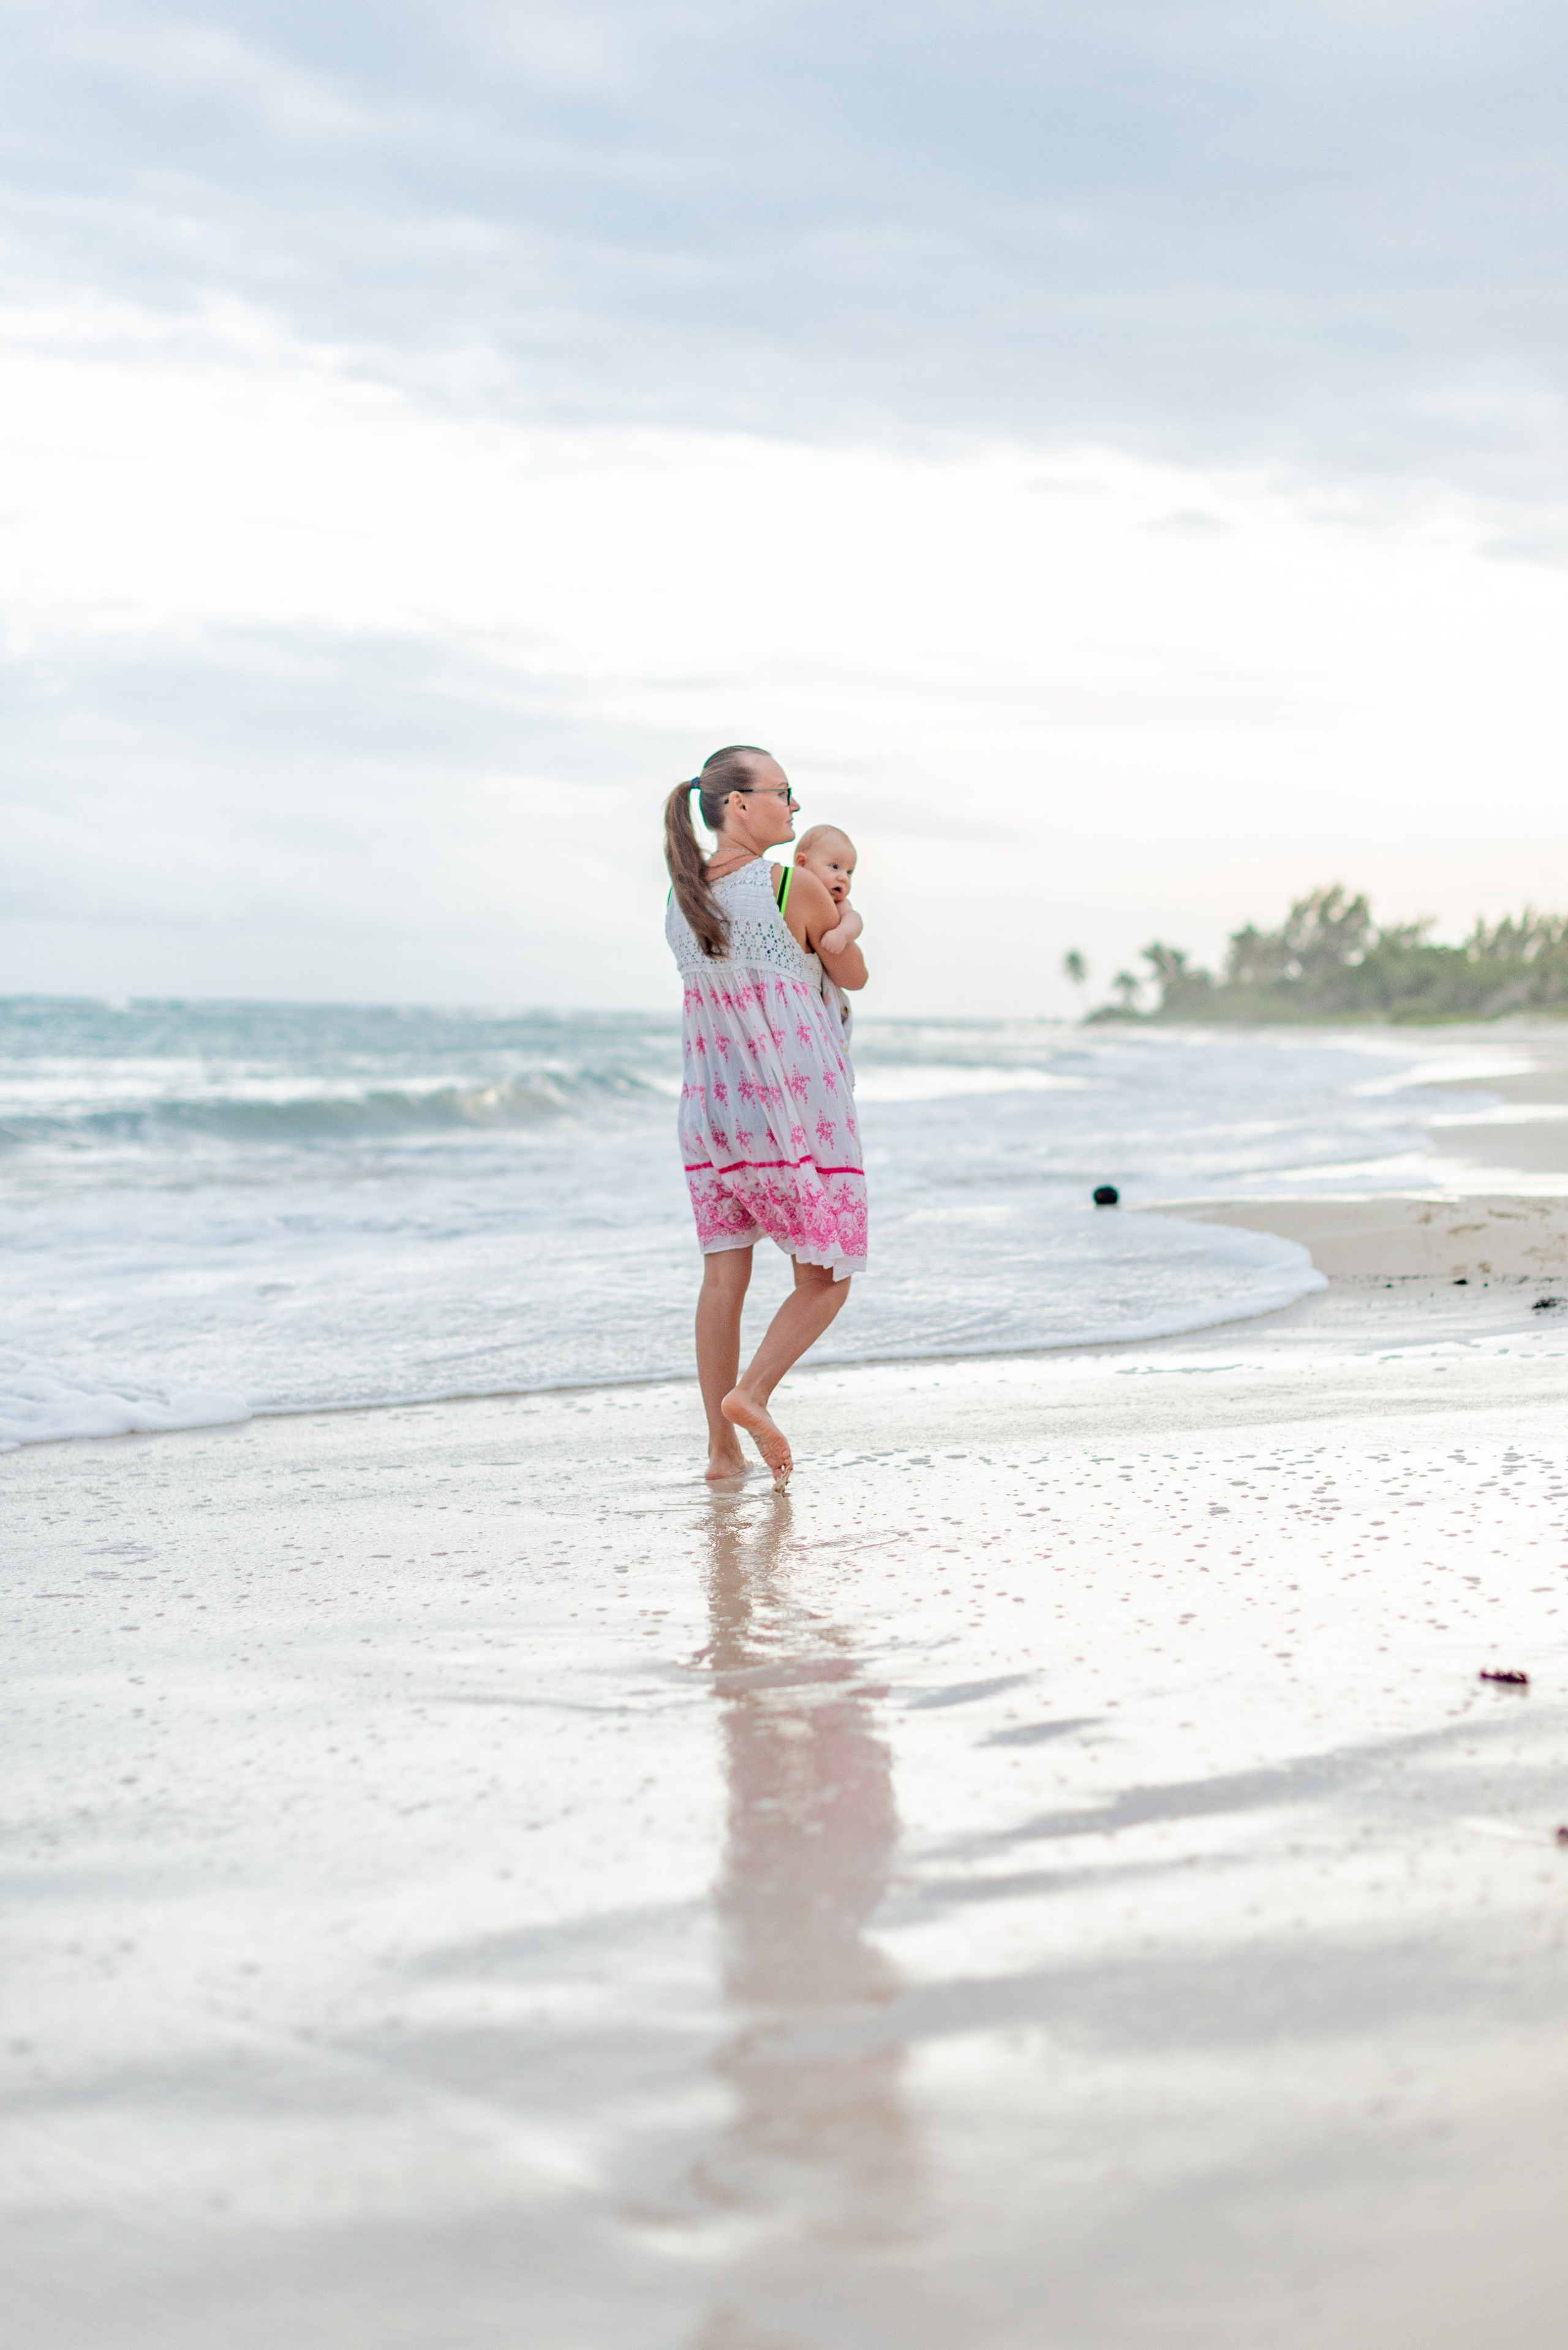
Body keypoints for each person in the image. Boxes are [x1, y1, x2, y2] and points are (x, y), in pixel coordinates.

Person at [663, 747, 869, 1486]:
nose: (793, 806)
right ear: (738, 805)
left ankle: (720, 1456)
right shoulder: (791, 885)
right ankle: (749, 1395)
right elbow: (853, 975)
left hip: (713, 1113)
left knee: (724, 1279)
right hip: (793, 1112)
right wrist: (849, 917)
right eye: (783, 793)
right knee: (827, 1275)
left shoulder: (680, 898)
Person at [793, 823, 862, 1046]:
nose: (844, 878)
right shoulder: (792, 892)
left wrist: (842, 934)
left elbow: (855, 919)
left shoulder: (839, 904)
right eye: (834, 867)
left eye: (849, 872)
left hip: (828, 990)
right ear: (802, 864)